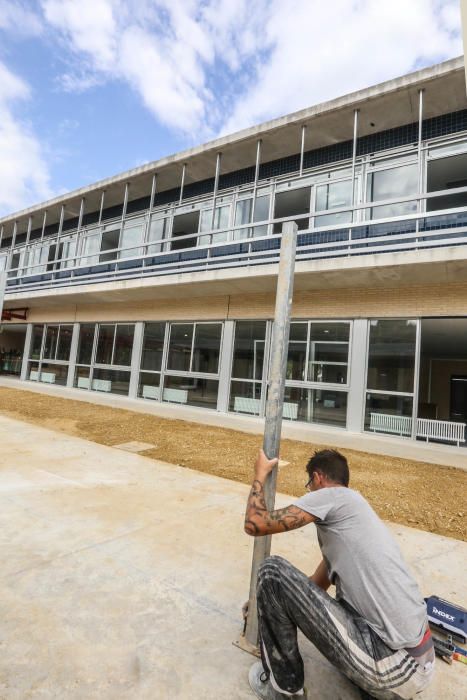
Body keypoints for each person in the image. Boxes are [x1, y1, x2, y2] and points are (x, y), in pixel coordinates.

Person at [244, 448, 435, 700]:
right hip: (417, 663)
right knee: (279, 586)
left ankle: (285, 692)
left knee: (272, 572)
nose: (309, 490)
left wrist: (260, 474)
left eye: (309, 484)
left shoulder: (332, 496)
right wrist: (265, 602)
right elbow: (314, 588)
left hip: (394, 663)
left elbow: (255, 524)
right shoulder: (352, 516)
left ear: (318, 478)